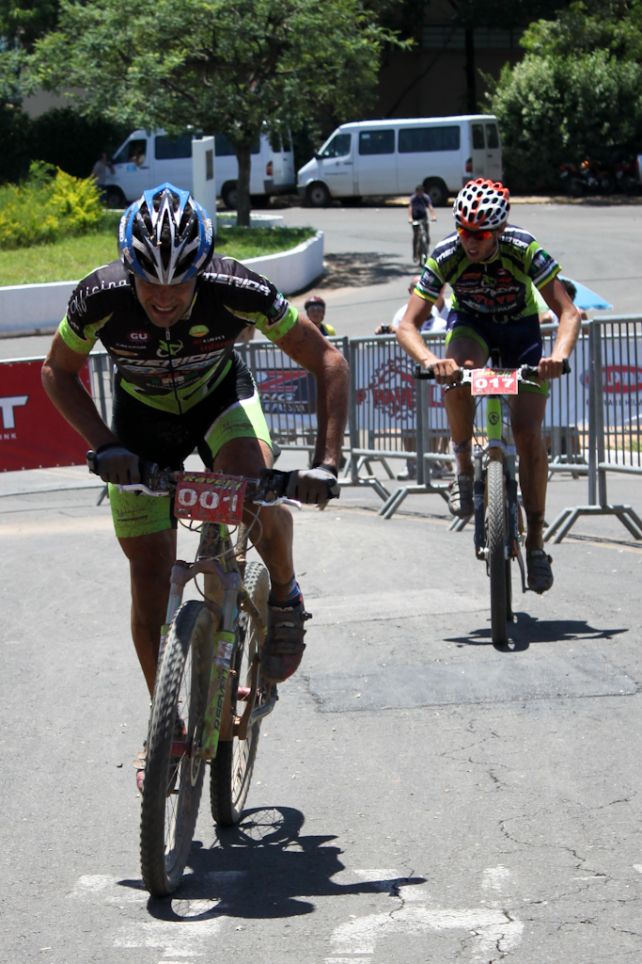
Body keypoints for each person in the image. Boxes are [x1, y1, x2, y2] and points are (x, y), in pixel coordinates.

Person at [42, 183, 348, 744]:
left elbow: (327, 360)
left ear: (202, 270)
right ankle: (168, 731)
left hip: (219, 401)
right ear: (127, 267)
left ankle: (284, 593)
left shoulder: (237, 287)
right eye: (148, 281)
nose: (163, 297)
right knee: (149, 580)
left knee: (251, 490)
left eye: (179, 282)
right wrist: (105, 444)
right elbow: (56, 372)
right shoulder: (99, 296)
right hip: (141, 421)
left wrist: (327, 463)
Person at [396, 178, 581, 593]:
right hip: (472, 325)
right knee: (458, 373)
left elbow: (569, 313)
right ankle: (462, 466)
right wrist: (430, 361)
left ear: (498, 230)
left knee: (529, 434)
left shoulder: (523, 247)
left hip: (521, 330)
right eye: (462, 229)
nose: (469, 241)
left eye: (478, 234)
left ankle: (535, 543)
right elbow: (406, 324)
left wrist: (558, 359)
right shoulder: (446, 253)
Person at [408, 185, 437, 263]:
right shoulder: (413, 198)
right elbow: (410, 208)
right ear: (416, 192)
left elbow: (430, 207)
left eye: (421, 192)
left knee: (426, 234)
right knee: (416, 236)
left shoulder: (425, 197)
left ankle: (426, 246)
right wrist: (410, 218)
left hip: (424, 217)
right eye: (418, 192)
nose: (420, 194)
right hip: (415, 217)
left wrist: (433, 216)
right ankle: (415, 254)